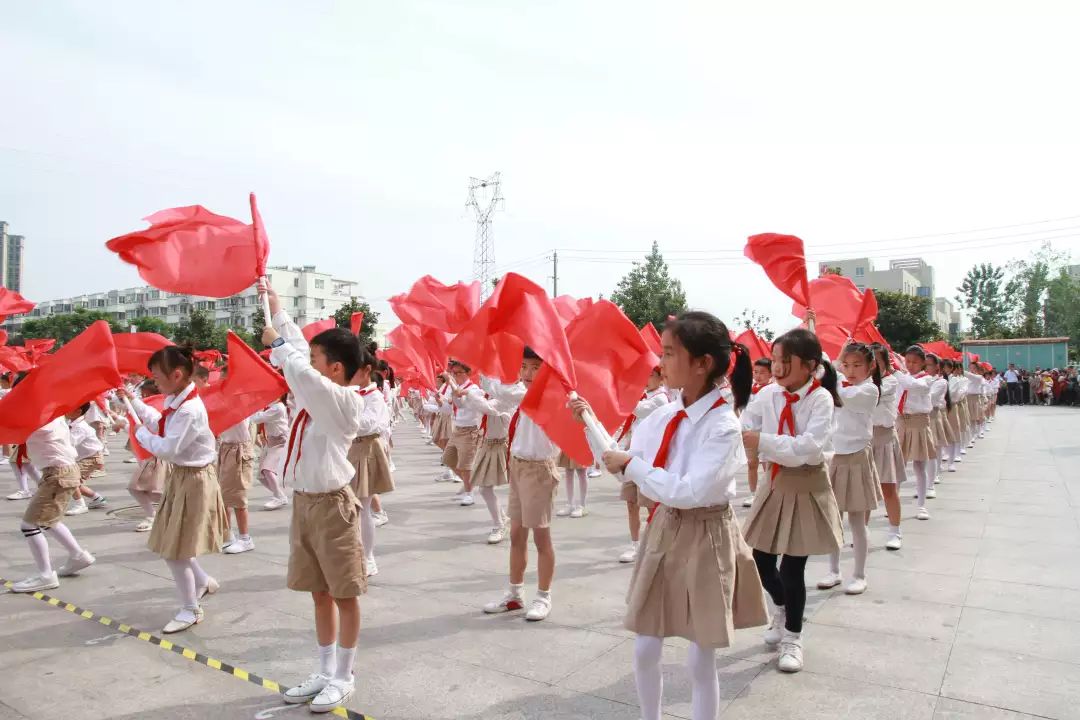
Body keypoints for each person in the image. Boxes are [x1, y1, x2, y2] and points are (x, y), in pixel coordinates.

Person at [574, 311, 766, 720]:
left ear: (703, 363)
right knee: (645, 646)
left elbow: (690, 491)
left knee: (700, 656)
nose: (660, 362)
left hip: (706, 532)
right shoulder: (662, 414)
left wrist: (629, 465)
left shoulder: (723, 425)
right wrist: (590, 422)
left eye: (669, 352)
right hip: (664, 528)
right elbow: (622, 461)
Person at [261, 281, 367, 713]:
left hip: (332, 505)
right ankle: (325, 670)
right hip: (306, 503)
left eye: (320, 358)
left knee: (344, 592)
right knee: (317, 592)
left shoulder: (341, 399)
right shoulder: (318, 388)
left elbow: (300, 368)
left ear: (336, 368)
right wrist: (278, 310)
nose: (311, 362)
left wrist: (279, 343)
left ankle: (344, 675)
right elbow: (304, 360)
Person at [742, 328, 843, 674]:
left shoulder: (821, 399)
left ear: (810, 365)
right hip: (774, 482)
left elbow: (808, 448)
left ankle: (794, 637)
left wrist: (761, 441)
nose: (778, 367)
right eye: (775, 360)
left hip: (805, 482)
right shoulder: (768, 393)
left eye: (786, 361)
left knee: (792, 566)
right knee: (759, 557)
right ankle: (782, 608)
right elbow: (746, 423)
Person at [126, 346, 227, 634]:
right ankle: (203, 581)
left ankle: (190, 609)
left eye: (157, 377)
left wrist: (139, 431)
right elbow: (159, 422)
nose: (155, 382)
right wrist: (132, 402)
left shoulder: (190, 409)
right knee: (178, 544)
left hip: (192, 478)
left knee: (175, 549)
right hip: (184, 477)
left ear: (177, 374)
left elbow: (168, 448)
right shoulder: (179, 402)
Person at [482, 347, 561, 622]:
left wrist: (483, 367)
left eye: (536, 367)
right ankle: (515, 594)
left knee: (541, 537)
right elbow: (498, 399)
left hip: (539, 470)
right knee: (516, 534)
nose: (527, 374)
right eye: (524, 366)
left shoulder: (549, 393)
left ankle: (543, 596)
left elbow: (503, 392)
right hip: (518, 465)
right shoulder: (523, 391)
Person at [8, 390, 97, 593]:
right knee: (49, 520)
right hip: (61, 471)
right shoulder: (51, 412)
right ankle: (78, 555)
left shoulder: (41, 417)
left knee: (29, 524)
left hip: (58, 473)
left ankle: (46, 575)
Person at [818, 343, 881, 596]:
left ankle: (859, 574)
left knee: (856, 520)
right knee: (834, 518)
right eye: (847, 365)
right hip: (835, 458)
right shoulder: (839, 384)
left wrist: (829, 364)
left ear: (871, 367)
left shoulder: (869, 390)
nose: (851, 370)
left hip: (856, 459)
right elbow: (828, 376)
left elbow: (838, 388)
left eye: (857, 365)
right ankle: (833, 570)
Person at [613, 366, 669, 563]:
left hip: (648, 460)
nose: (646, 379)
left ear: (661, 379)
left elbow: (637, 409)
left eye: (650, 375)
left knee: (650, 505)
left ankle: (655, 545)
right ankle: (635, 545)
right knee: (631, 503)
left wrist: (624, 389)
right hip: (632, 456)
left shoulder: (661, 399)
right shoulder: (646, 395)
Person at [346, 348, 393, 578]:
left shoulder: (374, 396)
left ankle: (369, 556)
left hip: (365, 449)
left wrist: (344, 416)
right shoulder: (353, 393)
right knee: (350, 507)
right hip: (348, 449)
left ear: (366, 371)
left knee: (363, 507)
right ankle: (355, 553)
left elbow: (369, 424)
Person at [463, 381, 515, 544]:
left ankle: (503, 521)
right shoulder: (489, 396)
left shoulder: (505, 399)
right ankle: (500, 522)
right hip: (489, 444)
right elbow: (465, 404)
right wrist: (456, 388)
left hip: (504, 446)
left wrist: (468, 393)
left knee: (518, 487)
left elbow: (488, 408)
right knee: (485, 488)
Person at [868, 343, 905, 549]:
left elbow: (875, 394)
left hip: (884, 437)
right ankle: (861, 531)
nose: (872, 366)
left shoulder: (890, 381)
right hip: (865, 438)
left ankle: (894, 531)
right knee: (862, 491)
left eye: (876, 362)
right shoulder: (859, 385)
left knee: (888, 488)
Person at [896, 346, 936, 521]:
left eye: (915, 362)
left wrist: (897, 371)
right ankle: (893, 503)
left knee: (919, 466)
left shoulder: (926, 379)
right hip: (901, 422)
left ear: (923, 364)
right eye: (908, 361)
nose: (910, 365)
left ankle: (922, 505)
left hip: (919, 423)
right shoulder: (901, 377)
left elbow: (912, 386)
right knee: (898, 467)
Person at [442, 361, 484, 507]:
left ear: (468, 373)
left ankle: (469, 493)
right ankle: (469, 485)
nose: (456, 375)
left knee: (466, 465)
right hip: (458, 428)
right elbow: (454, 405)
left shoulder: (474, 389)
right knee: (448, 458)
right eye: (454, 373)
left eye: (459, 373)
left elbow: (463, 403)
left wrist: (452, 384)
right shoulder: (458, 387)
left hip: (470, 430)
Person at [218, 416, 257, 554]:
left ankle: (245, 538)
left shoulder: (239, 406)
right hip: (226, 448)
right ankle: (227, 535)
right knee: (224, 496)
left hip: (239, 450)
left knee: (238, 496)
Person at [65, 404, 109, 514]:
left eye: (68, 409)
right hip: (86, 457)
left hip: (91, 458)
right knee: (75, 482)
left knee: (71, 479)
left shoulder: (80, 427)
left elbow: (70, 443)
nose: (65, 411)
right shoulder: (73, 423)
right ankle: (97, 498)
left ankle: (80, 504)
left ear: (78, 412)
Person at [250, 396, 291, 510]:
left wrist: (249, 411)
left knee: (267, 470)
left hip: (280, 442)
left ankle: (279, 496)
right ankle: (280, 495)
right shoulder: (272, 407)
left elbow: (258, 418)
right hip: (271, 442)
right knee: (262, 476)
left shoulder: (278, 408)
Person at [743, 358, 774, 508]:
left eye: (762, 373)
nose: (758, 375)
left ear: (771, 373)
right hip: (750, 432)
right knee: (751, 464)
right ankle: (753, 494)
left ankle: (770, 493)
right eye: (755, 372)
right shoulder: (749, 390)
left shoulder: (773, 391)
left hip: (766, 433)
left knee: (767, 465)